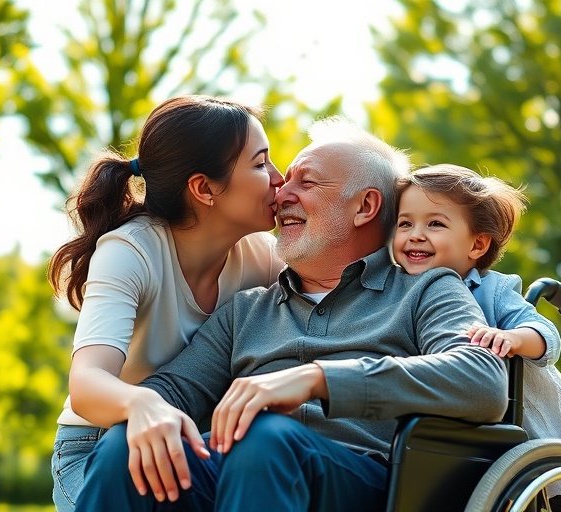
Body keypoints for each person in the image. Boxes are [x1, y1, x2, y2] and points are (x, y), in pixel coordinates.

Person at [73, 117, 509, 511]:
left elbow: (483, 381)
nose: (281, 193)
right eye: (285, 180)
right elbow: (171, 392)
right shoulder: (245, 311)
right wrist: (145, 411)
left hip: (362, 482)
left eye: (308, 182)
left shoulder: (424, 291)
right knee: (123, 448)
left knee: (265, 439)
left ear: (365, 207)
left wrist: (318, 379)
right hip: (237, 477)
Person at [48, 95, 286, 512]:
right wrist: (141, 402)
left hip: (192, 451)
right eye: (260, 163)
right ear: (204, 188)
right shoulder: (130, 251)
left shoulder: (262, 257)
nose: (279, 177)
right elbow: (87, 384)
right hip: (97, 449)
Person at [392, 163, 561, 510]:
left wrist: (511, 338)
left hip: (503, 414)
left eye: (435, 223)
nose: (415, 234)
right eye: (405, 223)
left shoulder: (493, 290)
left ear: (477, 244)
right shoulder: (394, 291)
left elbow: (546, 336)